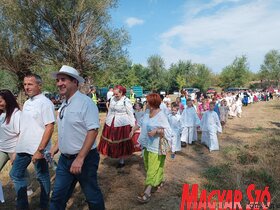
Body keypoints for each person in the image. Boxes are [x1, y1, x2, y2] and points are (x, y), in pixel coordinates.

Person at [50, 65, 105, 210]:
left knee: (92, 196)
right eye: (58, 80)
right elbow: (65, 130)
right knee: (57, 198)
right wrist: (55, 148)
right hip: (64, 160)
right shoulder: (64, 104)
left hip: (85, 159)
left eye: (63, 80)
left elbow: (92, 131)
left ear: (75, 82)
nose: (59, 83)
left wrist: (80, 158)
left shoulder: (85, 103)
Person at [10, 73, 55, 210]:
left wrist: (40, 150)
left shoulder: (45, 103)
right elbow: (25, 127)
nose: (26, 87)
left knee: (42, 177)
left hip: (38, 149)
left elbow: (50, 127)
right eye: (25, 84)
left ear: (39, 85)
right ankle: (22, 205)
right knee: (15, 174)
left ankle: (44, 205)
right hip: (24, 147)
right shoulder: (28, 102)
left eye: (30, 84)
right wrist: (17, 148)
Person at [130, 93, 175, 203]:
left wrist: (157, 131)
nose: (146, 103)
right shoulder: (146, 112)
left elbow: (169, 131)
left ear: (153, 103)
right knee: (149, 166)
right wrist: (132, 130)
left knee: (152, 169)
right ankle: (158, 181)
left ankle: (147, 192)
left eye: (148, 101)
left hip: (156, 146)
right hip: (146, 144)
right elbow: (140, 123)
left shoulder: (161, 115)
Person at [98, 85, 135, 168]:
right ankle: (113, 153)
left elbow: (130, 114)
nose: (115, 95)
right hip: (111, 122)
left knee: (121, 142)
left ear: (121, 93)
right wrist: (107, 121)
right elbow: (110, 110)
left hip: (122, 124)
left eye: (116, 94)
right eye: (114, 94)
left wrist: (132, 126)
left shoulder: (126, 100)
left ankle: (121, 161)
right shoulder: (112, 99)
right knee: (111, 140)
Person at [0, 89, 21, 171]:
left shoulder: (17, 114)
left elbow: (21, 134)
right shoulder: (2, 114)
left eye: (0, 101)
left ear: (8, 101)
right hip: (2, 149)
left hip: (13, 150)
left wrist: (16, 153)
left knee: (17, 175)